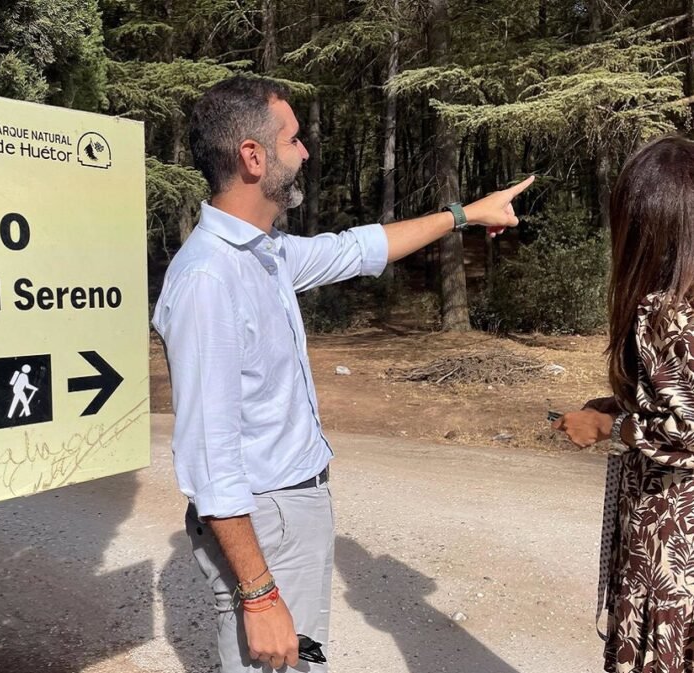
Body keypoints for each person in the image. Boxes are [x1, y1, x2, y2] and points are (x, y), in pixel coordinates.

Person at [151, 75, 532, 671]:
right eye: (293, 140)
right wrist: (259, 593)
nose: (304, 153)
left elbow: (358, 247)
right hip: (265, 518)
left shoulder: (265, 254)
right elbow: (208, 458)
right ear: (253, 157)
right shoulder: (209, 279)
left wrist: (464, 213)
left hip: (286, 510)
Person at [554, 135, 694, 673]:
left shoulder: (664, 311)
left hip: (673, 536)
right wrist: (619, 404)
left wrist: (608, 429)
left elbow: (685, 426)